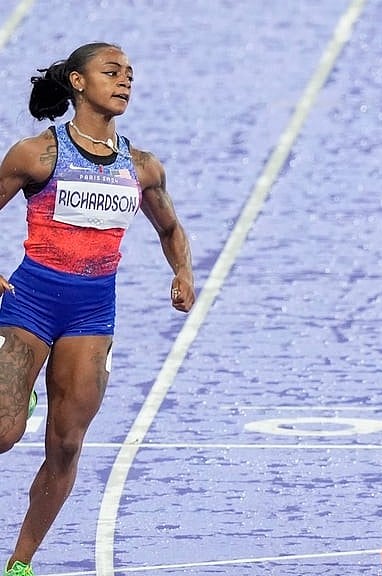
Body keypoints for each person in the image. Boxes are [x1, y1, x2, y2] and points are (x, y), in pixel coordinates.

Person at [0, 43, 195, 576]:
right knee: (2, 433)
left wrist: (182, 273)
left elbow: (171, 230)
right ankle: (26, 391)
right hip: (29, 306)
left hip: (90, 317)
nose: (125, 82)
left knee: (65, 445)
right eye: (112, 73)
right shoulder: (36, 155)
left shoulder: (141, 168)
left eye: (130, 75)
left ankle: (19, 564)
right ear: (78, 83)